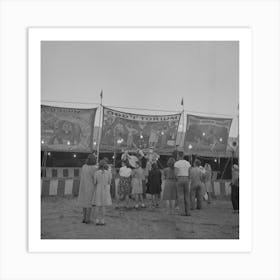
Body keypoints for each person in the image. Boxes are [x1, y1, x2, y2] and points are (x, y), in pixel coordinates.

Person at [77, 154, 98, 224]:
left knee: (84, 203)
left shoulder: (84, 166)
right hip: (90, 187)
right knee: (89, 204)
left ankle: (84, 218)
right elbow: (95, 178)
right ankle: (87, 219)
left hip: (83, 186)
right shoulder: (94, 168)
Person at [92, 160, 112, 225]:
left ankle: (97, 220)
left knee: (97, 205)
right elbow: (109, 182)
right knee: (103, 206)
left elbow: (94, 182)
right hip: (105, 189)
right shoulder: (108, 173)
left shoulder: (96, 172)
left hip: (98, 189)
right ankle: (103, 220)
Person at [174, 151, 191, 216]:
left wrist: (178, 179)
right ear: (183, 155)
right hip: (186, 178)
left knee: (180, 196)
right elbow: (190, 172)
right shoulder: (188, 163)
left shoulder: (177, 163)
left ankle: (182, 212)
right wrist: (188, 179)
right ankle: (188, 212)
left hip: (180, 178)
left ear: (178, 155)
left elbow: (175, 173)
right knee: (187, 196)